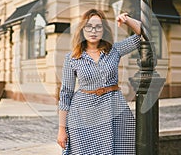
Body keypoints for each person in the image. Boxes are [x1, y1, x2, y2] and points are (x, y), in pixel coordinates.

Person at [57, 8, 142, 154]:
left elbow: (143, 36)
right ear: (82, 30)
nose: (93, 31)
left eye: (98, 27)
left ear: (104, 30)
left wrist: (127, 20)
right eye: (89, 26)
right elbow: (65, 95)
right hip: (83, 116)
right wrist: (61, 129)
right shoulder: (72, 58)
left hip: (114, 110)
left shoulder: (114, 50)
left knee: (123, 150)